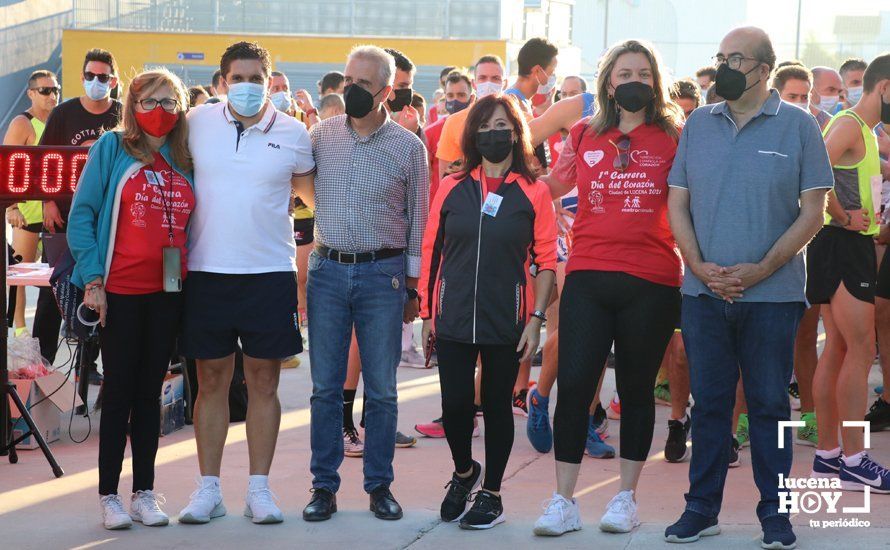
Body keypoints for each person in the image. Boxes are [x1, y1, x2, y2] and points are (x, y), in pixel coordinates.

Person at [663, 28, 833, 548]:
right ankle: (701, 509)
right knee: (711, 404)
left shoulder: (800, 127)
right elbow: (677, 202)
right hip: (704, 294)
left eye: (735, 58)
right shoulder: (697, 123)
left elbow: (814, 213)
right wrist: (699, 265)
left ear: (764, 68)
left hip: (773, 298)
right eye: (720, 57)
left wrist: (760, 270)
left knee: (768, 405)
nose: (725, 67)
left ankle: (775, 515)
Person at [532, 38, 683, 537]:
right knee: (574, 388)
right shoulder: (582, 133)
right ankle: (563, 502)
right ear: (609, 83)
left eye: (643, 73)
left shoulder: (674, 135)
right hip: (589, 276)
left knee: (637, 390)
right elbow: (553, 186)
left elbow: (693, 201)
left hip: (653, 279)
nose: (633, 81)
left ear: (653, 81)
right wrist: (497, 179)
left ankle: (625, 499)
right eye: (624, 74)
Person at [178, 41, 315, 525]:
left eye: (257, 78)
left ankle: (260, 489)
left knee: (264, 381)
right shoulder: (194, 124)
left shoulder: (296, 133)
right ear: (221, 83)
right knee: (210, 381)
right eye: (238, 78)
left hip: (269, 275)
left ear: (270, 81)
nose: (248, 86)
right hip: (207, 273)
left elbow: (316, 198)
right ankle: (208, 489)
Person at [420, 94, 557, 529]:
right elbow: (431, 251)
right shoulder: (453, 185)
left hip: (508, 320)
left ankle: (492, 493)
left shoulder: (534, 191)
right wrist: (427, 313)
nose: (493, 133)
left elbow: (547, 259)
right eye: (485, 126)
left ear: (517, 134)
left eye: (503, 126)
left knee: (496, 405)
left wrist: (536, 319)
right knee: (456, 404)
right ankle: (465, 473)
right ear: (473, 135)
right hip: (453, 315)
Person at [304, 44, 428, 522]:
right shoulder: (321, 136)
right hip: (327, 270)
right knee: (324, 389)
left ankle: (379, 486)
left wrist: (413, 287)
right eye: (346, 81)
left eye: (361, 84)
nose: (350, 90)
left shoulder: (408, 147)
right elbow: (299, 184)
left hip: (385, 274)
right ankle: (323, 487)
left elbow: (417, 221)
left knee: (382, 390)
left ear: (386, 91)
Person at [67, 68, 194, 530]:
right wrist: (93, 280)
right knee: (118, 394)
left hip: (168, 293)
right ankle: (109, 495)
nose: (159, 112)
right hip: (118, 292)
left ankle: (143, 492)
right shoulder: (111, 147)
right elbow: (83, 214)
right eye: (149, 102)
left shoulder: (185, 156)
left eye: (169, 102)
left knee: (150, 394)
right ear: (133, 106)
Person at [809, 54, 890, 492]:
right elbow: (811, 168)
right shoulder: (848, 124)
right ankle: (855, 459)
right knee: (861, 347)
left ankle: (828, 455)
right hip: (843, 244)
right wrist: (841, 216)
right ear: (886, 88)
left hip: (844, 245)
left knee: (840, 347)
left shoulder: (864, 130)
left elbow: (867, 170)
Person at [36, 48, 122, 369]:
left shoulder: (124, 115)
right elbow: (42, 162)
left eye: (102, 77)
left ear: (112, 80)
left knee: (101, 293)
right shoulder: (63, 114)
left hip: (109, 223)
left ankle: (89, 368)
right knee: (52, 294)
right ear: (82, 76)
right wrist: (48, 201)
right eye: (90, 76)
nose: (95, 82)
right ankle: (41, 363)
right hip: (64, 219)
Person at [772, 63, 822, 446]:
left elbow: (819, 201)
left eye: (806, 97)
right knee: (750, 356)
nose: (801, 104)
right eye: (793, 96)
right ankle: (741, 424)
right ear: (775, 94)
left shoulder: (812, 132)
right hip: (762, 257)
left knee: (805, 340)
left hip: (803, 254)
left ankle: (809, 416)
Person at [3, 69, 59, 337]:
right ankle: (20, 330)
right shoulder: (22, 123)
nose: (52, 96)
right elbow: (6, 169)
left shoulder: (60, 121)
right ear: (31, 93)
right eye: (45, 91)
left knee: (55, 276)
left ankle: (54, 328)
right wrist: (12, 208)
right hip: (27, 212)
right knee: (21, 275)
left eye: (55, 90)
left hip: (54, 211)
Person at [437, 55, 507, 182]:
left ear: (505, 83)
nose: (488, 83)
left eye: (495, 78)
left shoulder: (522, 120)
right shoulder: (454, 122)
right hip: (467, 198)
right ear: (474, 84)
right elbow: (445, 176)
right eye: (482, 78)